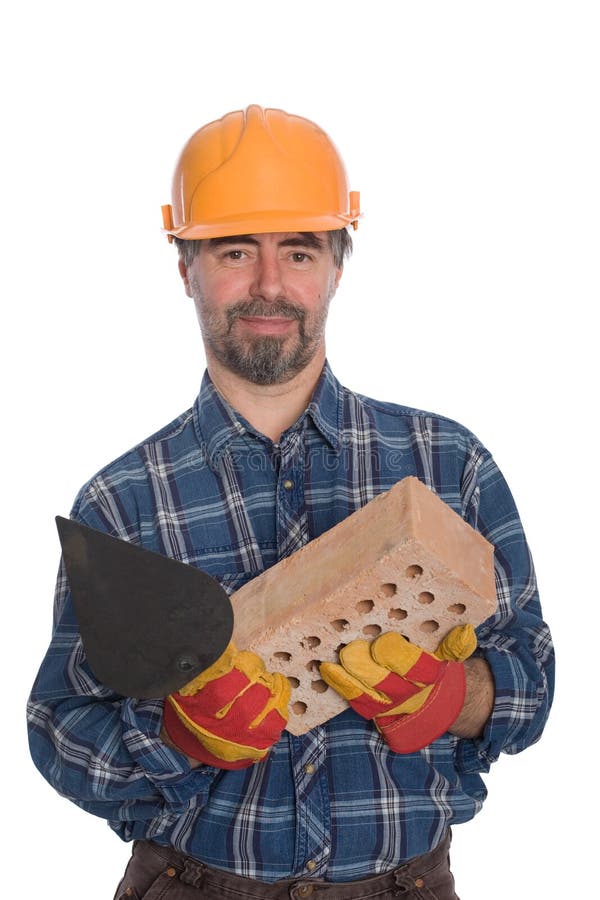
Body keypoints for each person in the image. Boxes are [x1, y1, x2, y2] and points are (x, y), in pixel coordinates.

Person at [28, 105, 554, 900]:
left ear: (337, 266)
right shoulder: (123, 500)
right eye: (236, 251)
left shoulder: (450, 465)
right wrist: (177, 736)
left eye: (300, 251)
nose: (270, 285)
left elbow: (533, 680)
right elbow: (61, 726)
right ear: (185, 266)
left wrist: (458, 696)